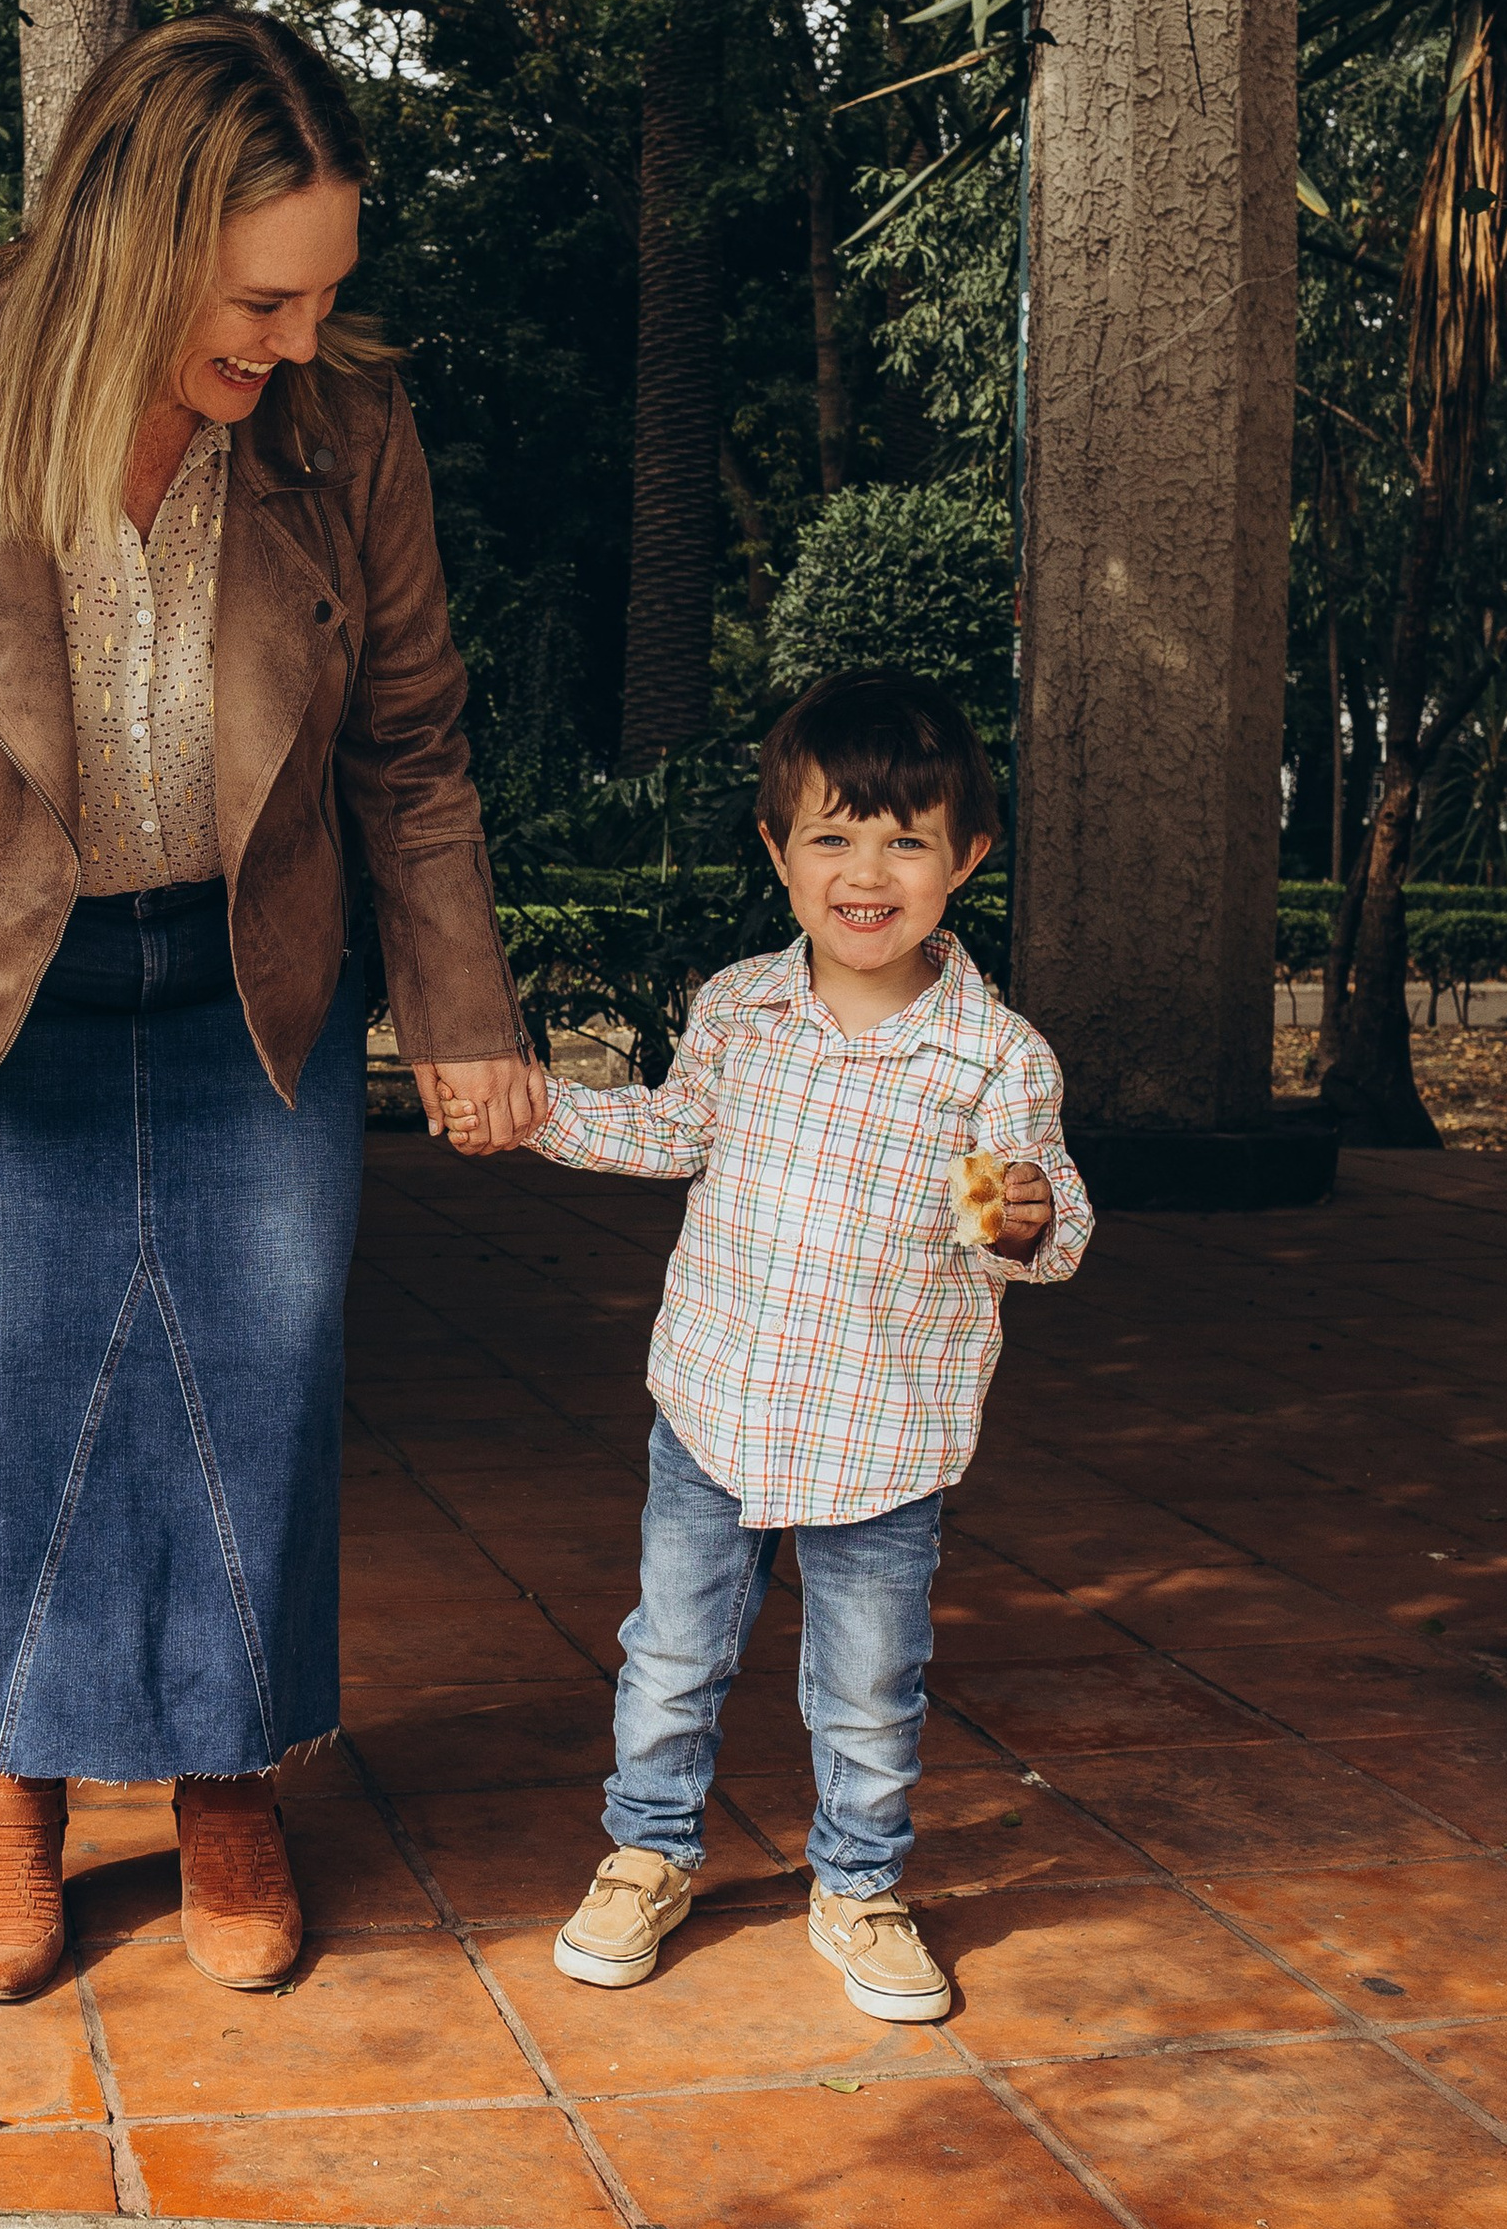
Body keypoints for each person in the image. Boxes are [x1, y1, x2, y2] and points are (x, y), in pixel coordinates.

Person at [0, 12, 543, 2005]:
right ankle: (8, 1792)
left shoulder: (340, 435)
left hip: (246, 986)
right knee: (4, 1396)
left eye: (322, 293)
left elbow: (414, 746)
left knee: (251, 1391)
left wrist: (459, 1003)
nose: (289, 335)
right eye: (260, 293)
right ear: (134, 234)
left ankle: (221, 1776)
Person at [442, 666, 1092, 2022]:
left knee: (868, 1681)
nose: (868, 869)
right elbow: (675, 1131)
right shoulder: (740, 1009)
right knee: (672, 1651)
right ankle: (647, 1852)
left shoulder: (989, 1058)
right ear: (778, 853)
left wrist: (1026, 1219)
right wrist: (538, 1112)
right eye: (834, 834)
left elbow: (1018, 1219)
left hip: (882, 1435)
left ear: (965, 857)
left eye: (907, 838)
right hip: (716, 1410)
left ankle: (858, 1883)